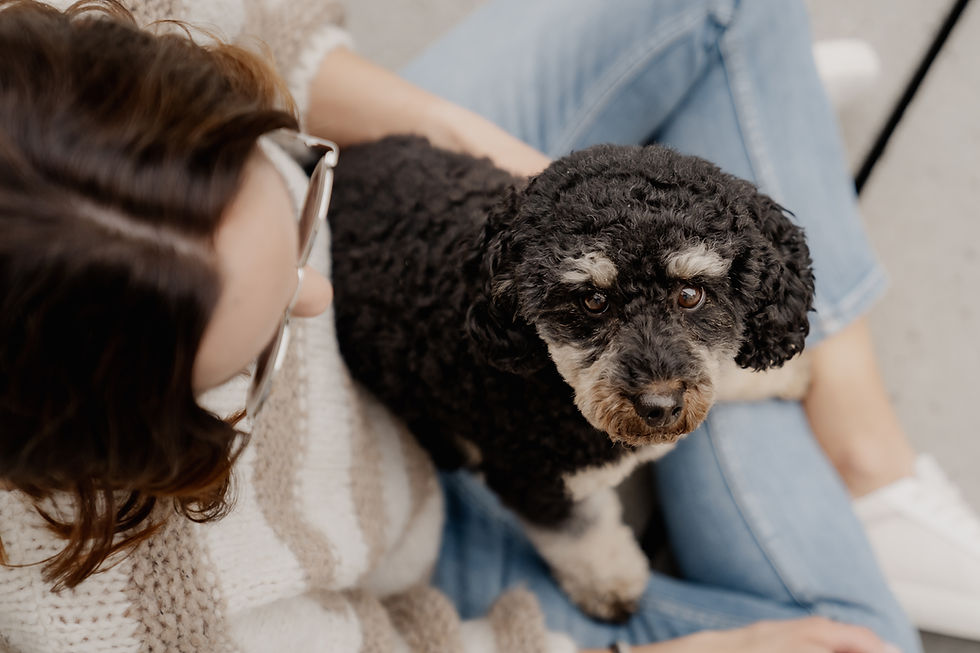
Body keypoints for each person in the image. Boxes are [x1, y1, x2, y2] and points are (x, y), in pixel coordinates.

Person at [0, 2, 956, 653]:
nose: (317, 292)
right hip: (430, 519)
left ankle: (865, 453)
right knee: (862, 638)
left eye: (291, 192)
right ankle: (747, 137)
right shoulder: (115, 617)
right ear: (136, 447)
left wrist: (456, 133)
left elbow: (242, 27)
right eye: (253, 351)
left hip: (432, 206)